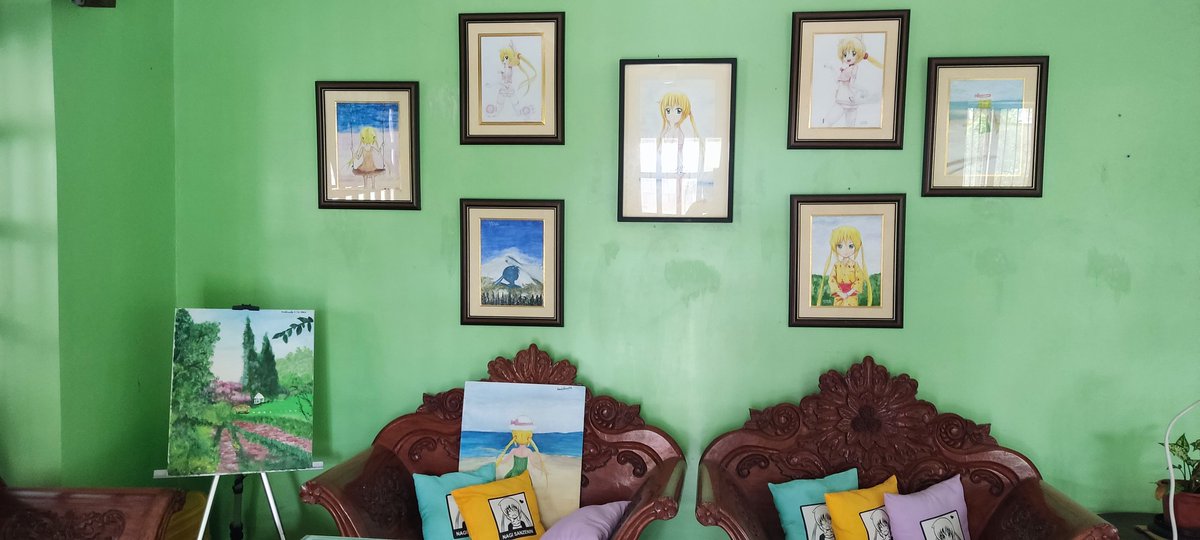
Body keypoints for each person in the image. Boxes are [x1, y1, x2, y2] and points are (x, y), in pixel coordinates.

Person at [821, 35, 884, 128]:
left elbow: (852, 84)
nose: (848, 57)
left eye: (853, 53)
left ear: (859, 54)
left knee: (833, 121)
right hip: (847, 97)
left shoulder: (853, 68)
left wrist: (863, 90)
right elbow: (839, 81)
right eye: (845, 54)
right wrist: (832, 69)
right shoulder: (846, 67)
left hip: (845, 98)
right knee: (847, 124)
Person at [818, 225, 874, 307]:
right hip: (839, 297)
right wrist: (840, 293)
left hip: (852, 297)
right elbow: (831, 279)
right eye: (840, 246)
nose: (845, 250)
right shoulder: (836, 265)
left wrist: (849, 293)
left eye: (851, 246)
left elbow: (860, 279)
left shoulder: (855, 265)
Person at [489, 42, 538, 119]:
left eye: (507, 57)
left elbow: (516, 57)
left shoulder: (510, 66)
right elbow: (499, 75)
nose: (505, 59)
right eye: (504, 58)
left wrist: (513, 48)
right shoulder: (502, 67)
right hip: (503, 88)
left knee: (515, 103)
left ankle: (521, 113)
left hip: (509, 88)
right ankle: (496, 114)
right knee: (499, 103)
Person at [495, 416, 547, 480]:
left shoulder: (514, 450)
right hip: (524, 475)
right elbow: (534, 464)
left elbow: (505, 461)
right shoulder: (528, 451)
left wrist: (498, 460)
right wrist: (542, 469)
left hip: (514, 473)